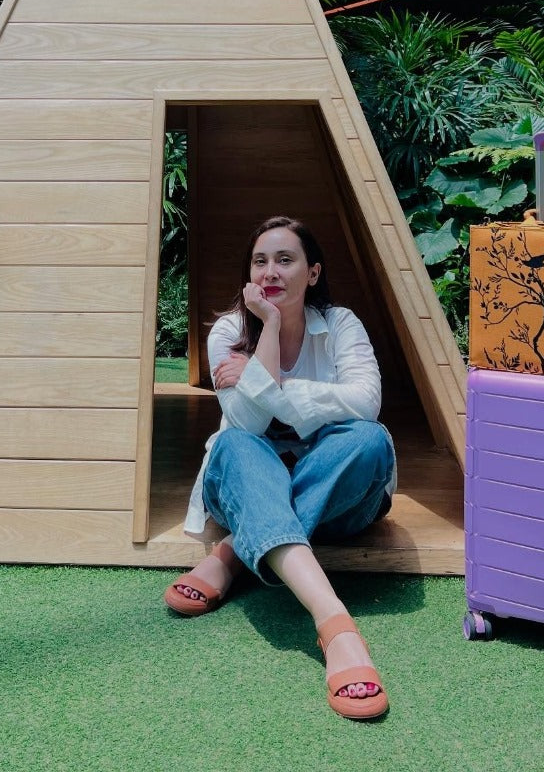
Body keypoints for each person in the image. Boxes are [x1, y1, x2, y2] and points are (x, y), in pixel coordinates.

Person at [163, 215, 397, 721]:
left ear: (313, 273)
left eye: (285, 260)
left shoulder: (340, 324)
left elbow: (366, 403)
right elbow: (247, 422)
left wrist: (267, 381)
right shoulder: (229, 330)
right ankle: (336, 626)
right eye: (260, 261)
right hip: (249, 477)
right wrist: (268, 325)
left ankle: (236, 548)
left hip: (337, 498)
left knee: (368, 440)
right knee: (237, 446)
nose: (270, 272)